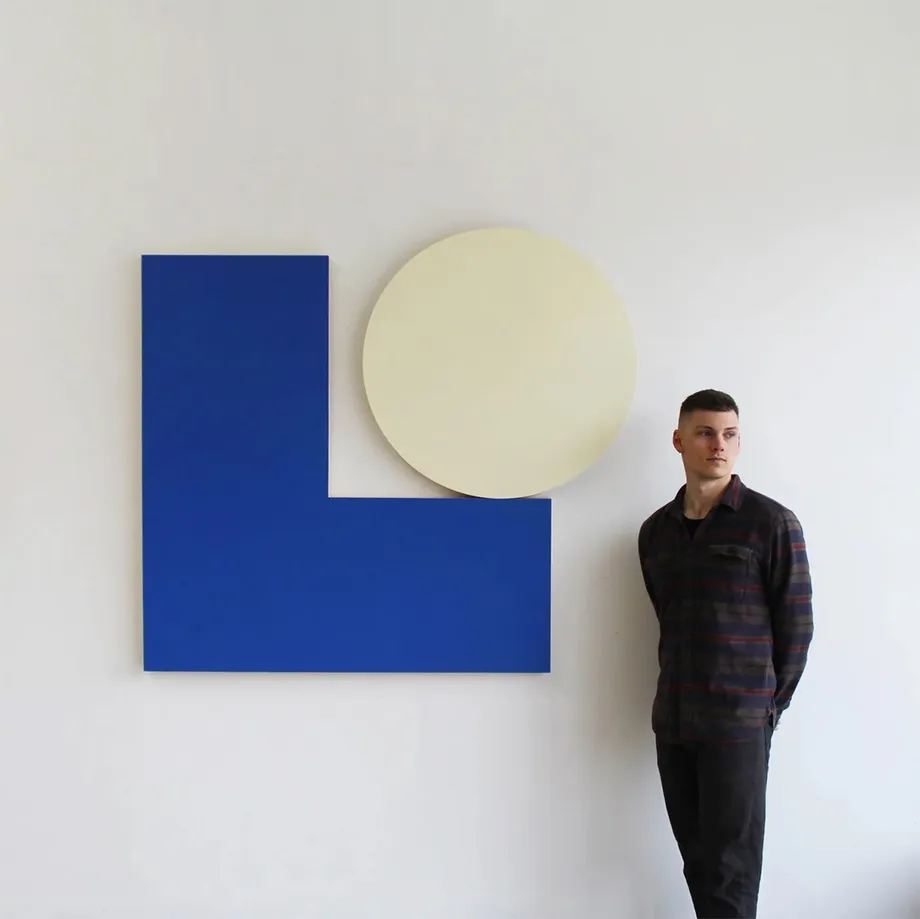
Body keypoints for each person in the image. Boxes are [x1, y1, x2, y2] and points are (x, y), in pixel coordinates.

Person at [637, 389, 813, 919]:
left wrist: (765, 709)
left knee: (732, 868)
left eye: (729, 434)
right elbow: (667, 616)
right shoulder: (655, 533)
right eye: (706, 433)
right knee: (697, 861)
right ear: (679, 441)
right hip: (674, 721)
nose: (719, 445)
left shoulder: (771, 523)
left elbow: (797, 629)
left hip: (738, 725)